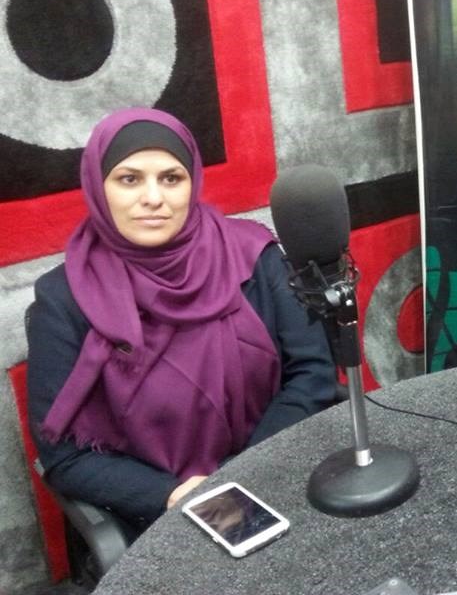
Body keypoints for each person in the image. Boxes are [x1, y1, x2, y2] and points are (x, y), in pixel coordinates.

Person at [27, 108, 338, 538]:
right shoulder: (63, 299)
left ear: (193, 182)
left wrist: (241, 476)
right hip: (162, 515)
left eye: (171, 178)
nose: (153, 197)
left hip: (276, 474)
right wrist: (170, 495)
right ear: (98, 186)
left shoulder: (254, 256)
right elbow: (63, 455)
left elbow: (313, 374)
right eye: (129, 179)